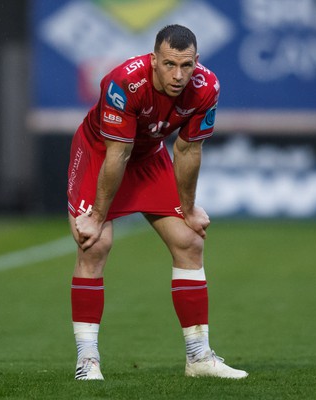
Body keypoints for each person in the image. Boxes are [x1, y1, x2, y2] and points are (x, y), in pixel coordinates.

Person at [67, 24, 248, 380]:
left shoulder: (207, 88)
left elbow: (187, 148)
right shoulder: (124, 82)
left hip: (148, 155)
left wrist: (190, 207)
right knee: (95, 243)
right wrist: (98, 216)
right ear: (153, 60)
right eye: (169, 65)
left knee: (189, 240)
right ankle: (87, 360)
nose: (178, 75)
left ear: (197, 61)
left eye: (186, 65)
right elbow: (117, 154)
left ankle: (198, 358)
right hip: (100, 154)